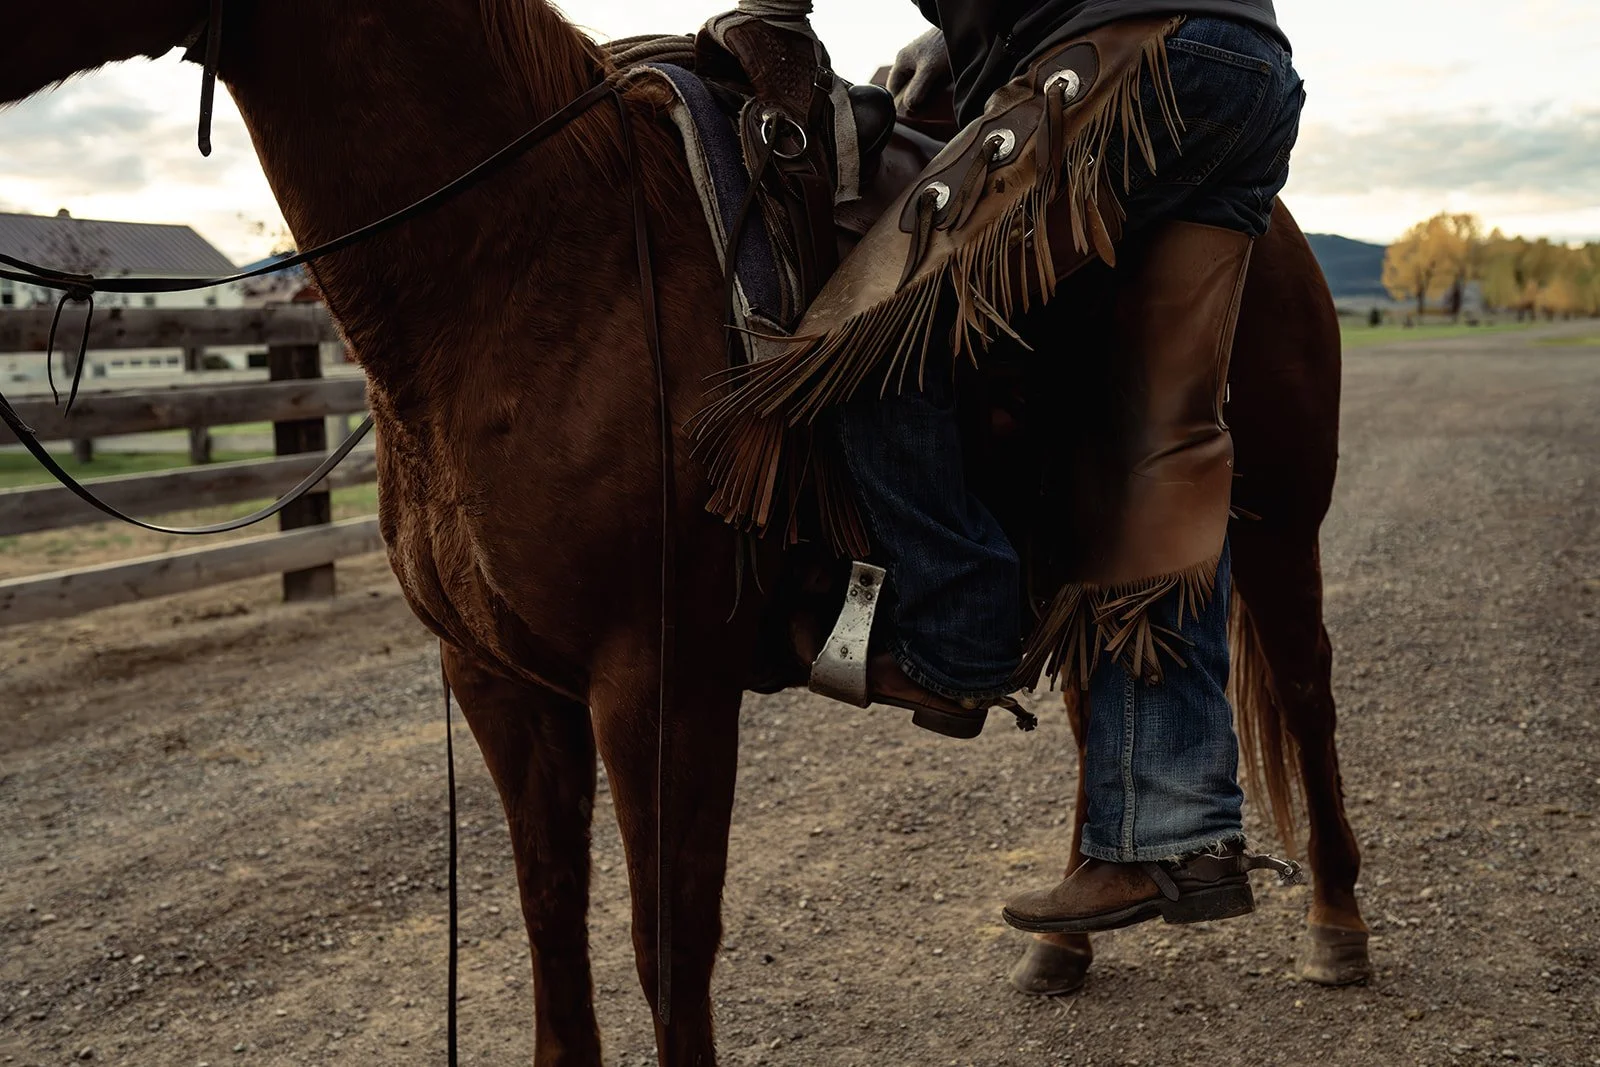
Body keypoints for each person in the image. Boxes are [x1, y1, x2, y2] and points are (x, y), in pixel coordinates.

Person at [696, 0, 1307, 936]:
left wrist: (767, 22)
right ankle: (1177, 833)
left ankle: (959, 639)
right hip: (1254, 75)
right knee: (1160, 442)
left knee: (866, 337)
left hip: (1133, 59)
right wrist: (956, 40)